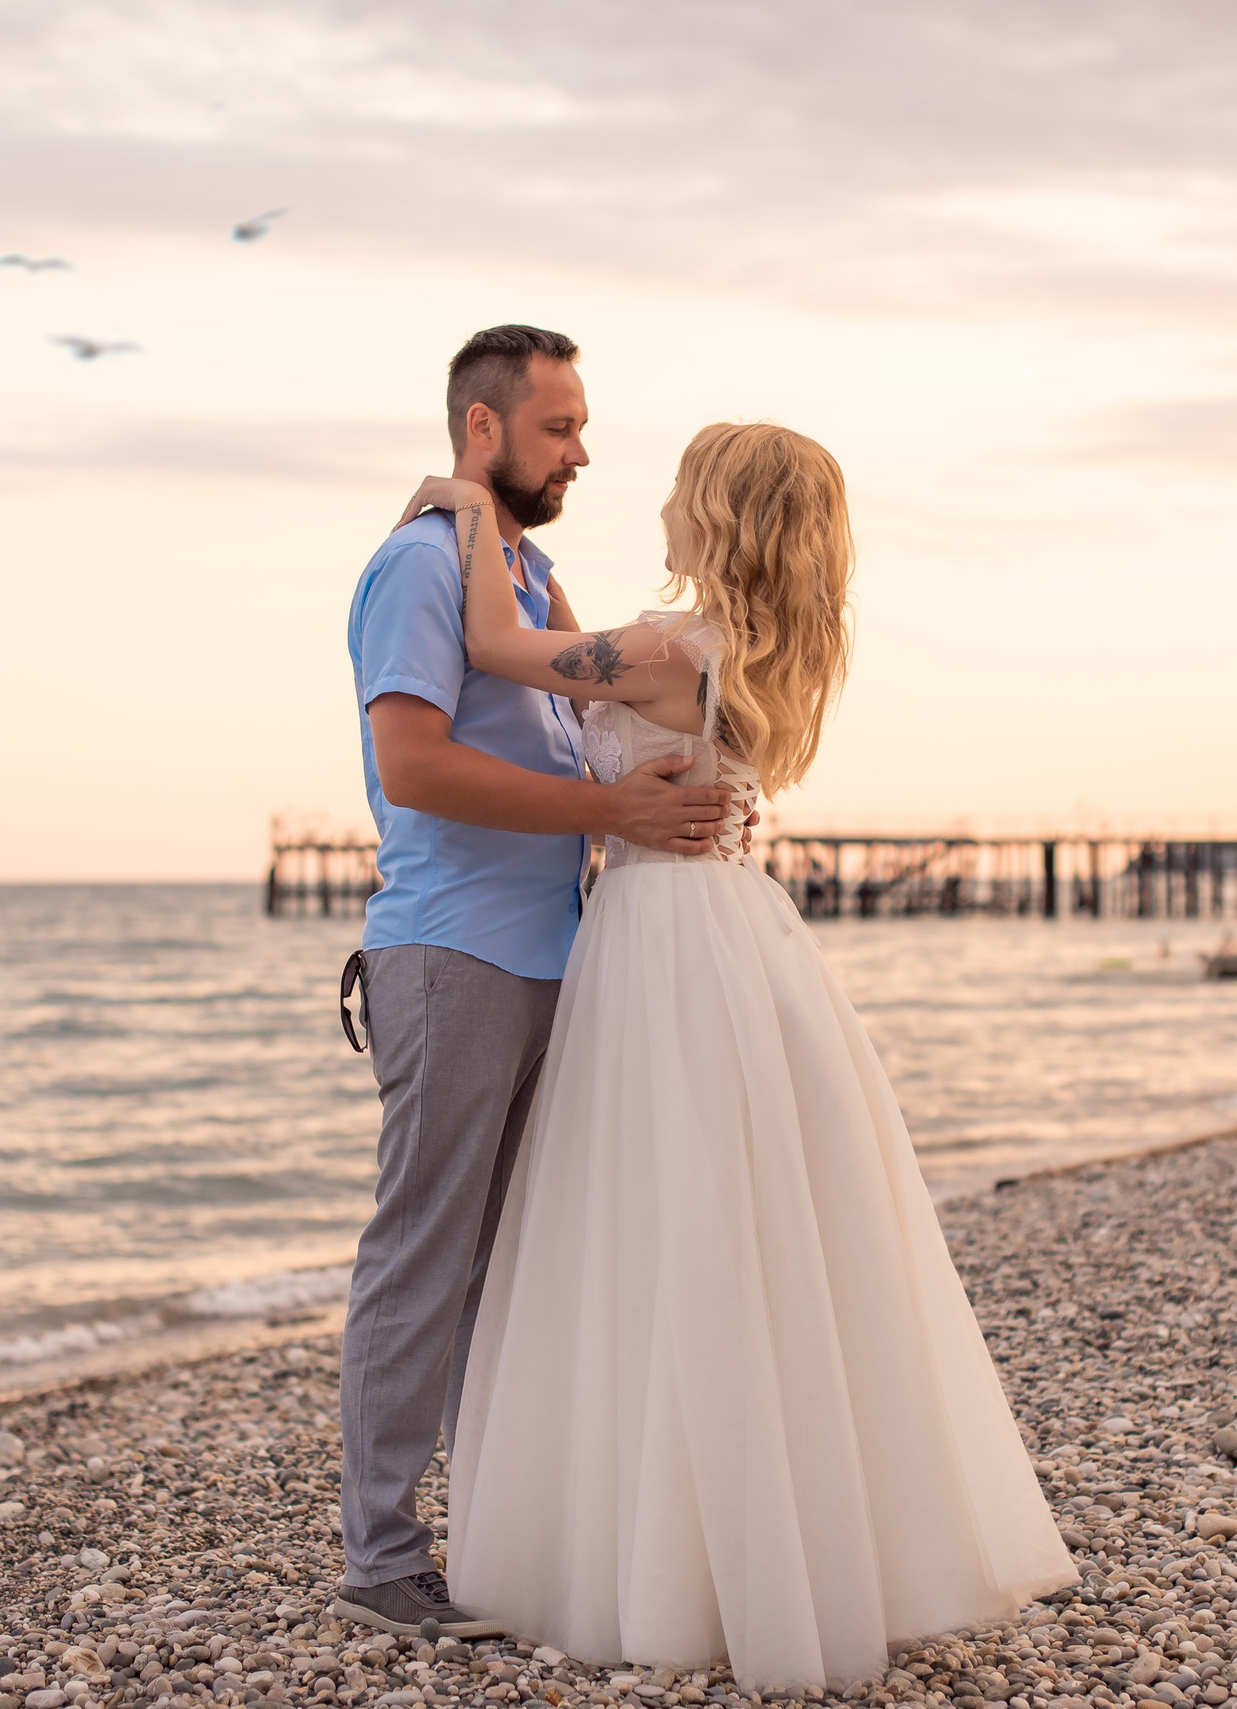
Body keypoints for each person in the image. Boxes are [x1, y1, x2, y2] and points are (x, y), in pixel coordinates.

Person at [395, 425, 1074, 1692]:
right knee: (743, 1225)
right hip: (735, 927)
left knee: (658, 1219)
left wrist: (474, 513)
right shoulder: (743, 650)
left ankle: (673, 1550)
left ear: (714, 511)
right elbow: (580, 658)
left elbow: (497, 650)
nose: (652, 491)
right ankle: (771, 1536)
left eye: (677, 480)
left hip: (659, 938)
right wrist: (538, 575)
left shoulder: (667, 650)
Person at [335, 326, 739, 1640]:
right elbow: (415, 766)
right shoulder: (417, 564)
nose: (580, 450)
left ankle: (500, 1536)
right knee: (428, 1256)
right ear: (481, 433)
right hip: (455, 953)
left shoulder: (527, 572)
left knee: (512, 1270)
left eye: (579, 425)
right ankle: (381, 1553)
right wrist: (606, 806)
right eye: (557, 427)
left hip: (555, 958)